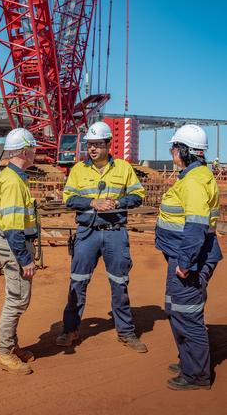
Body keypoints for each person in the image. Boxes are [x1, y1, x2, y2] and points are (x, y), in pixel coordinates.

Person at [57, 121, 148, 352]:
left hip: (115, 233)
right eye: (90, 145)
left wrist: (118, 202)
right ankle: (70, 330)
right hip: (87, 234)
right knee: (78, 281)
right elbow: (68, 199)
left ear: (108, 144)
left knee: (119, 283)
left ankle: (126, 332)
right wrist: (92, 203)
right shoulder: (78, 170)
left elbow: (138, 195)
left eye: (98, 144)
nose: (93, 149)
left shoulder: (124, 169)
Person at [156, 125, 222, 390]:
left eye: (174, 147)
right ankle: (189, 360)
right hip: (184, 255)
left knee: (187, 314)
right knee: (176, 309)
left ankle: (196, 375)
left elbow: (195, 226)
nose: (171, 151)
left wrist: (185, 263)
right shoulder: (193, 176)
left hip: (189, 259)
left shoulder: (194, 181)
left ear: (183, 150)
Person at [0, 128, 38, 375]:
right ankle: (4, 352)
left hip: (11, 245)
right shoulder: (12, 182)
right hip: (14, 247)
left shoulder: (11, 177)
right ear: (24, 151)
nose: (35, 152)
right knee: (17, 300)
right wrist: (25, 259)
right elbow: (12, 227)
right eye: (33, 148)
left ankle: (12, 345)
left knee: (17, 297)